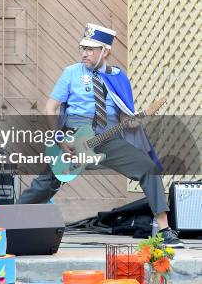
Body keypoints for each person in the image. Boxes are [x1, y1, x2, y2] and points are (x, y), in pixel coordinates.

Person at [18, 23, 183, 247]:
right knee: (47, 182)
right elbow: (50, 107)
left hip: (109, 139)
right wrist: (59, 138)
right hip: (74, 139)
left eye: (90, 49)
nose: (84, 53)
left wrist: (131, 121)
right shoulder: (72, 72)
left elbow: (125, 117)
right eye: (82, 48)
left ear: (105, 51)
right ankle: (11, 221)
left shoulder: (118, 77)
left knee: (148, 168)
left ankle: (164, 230)